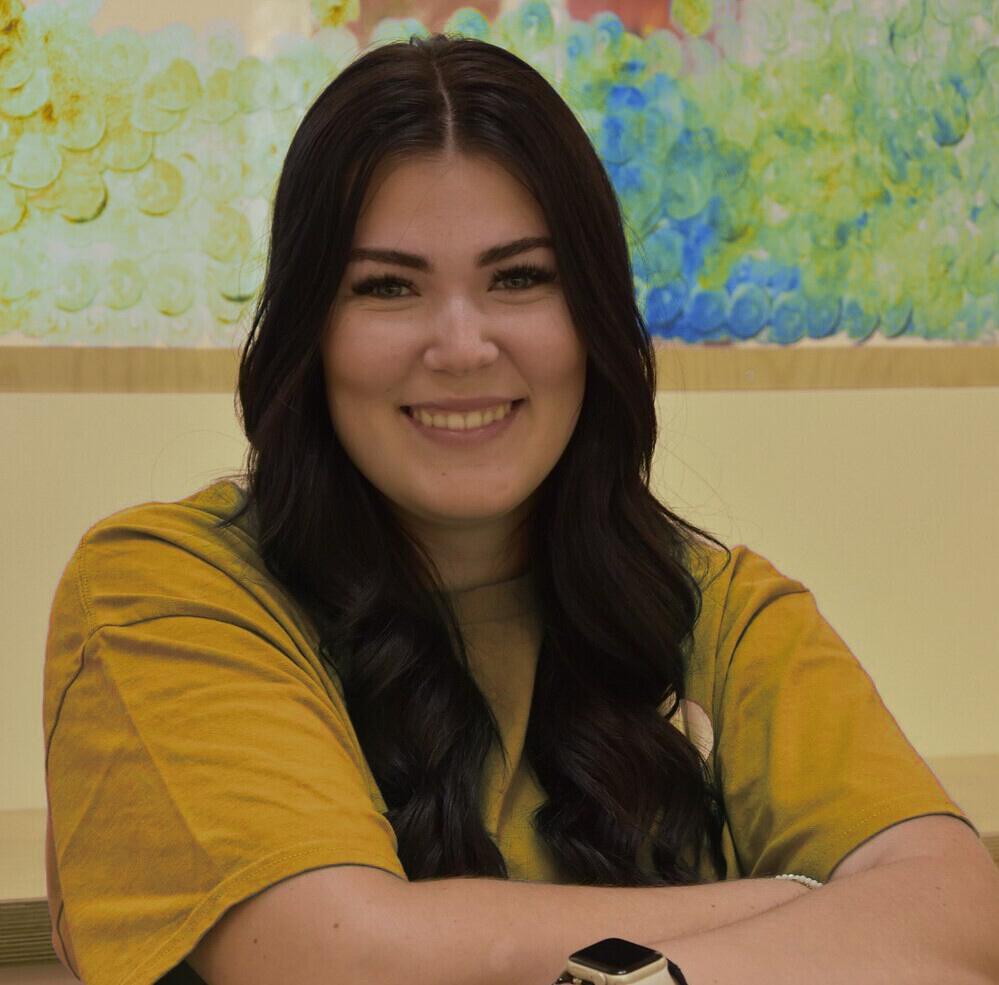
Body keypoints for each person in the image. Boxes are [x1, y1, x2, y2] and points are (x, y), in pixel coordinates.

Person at [43, 33, 998, 985]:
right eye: (387, 286)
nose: (462, 346)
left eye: (519, 278)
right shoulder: (162, 589)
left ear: (592, 316)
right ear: (309, 330)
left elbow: (957, 911)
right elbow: (335, 955)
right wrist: (803, 906)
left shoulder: (724, 612)